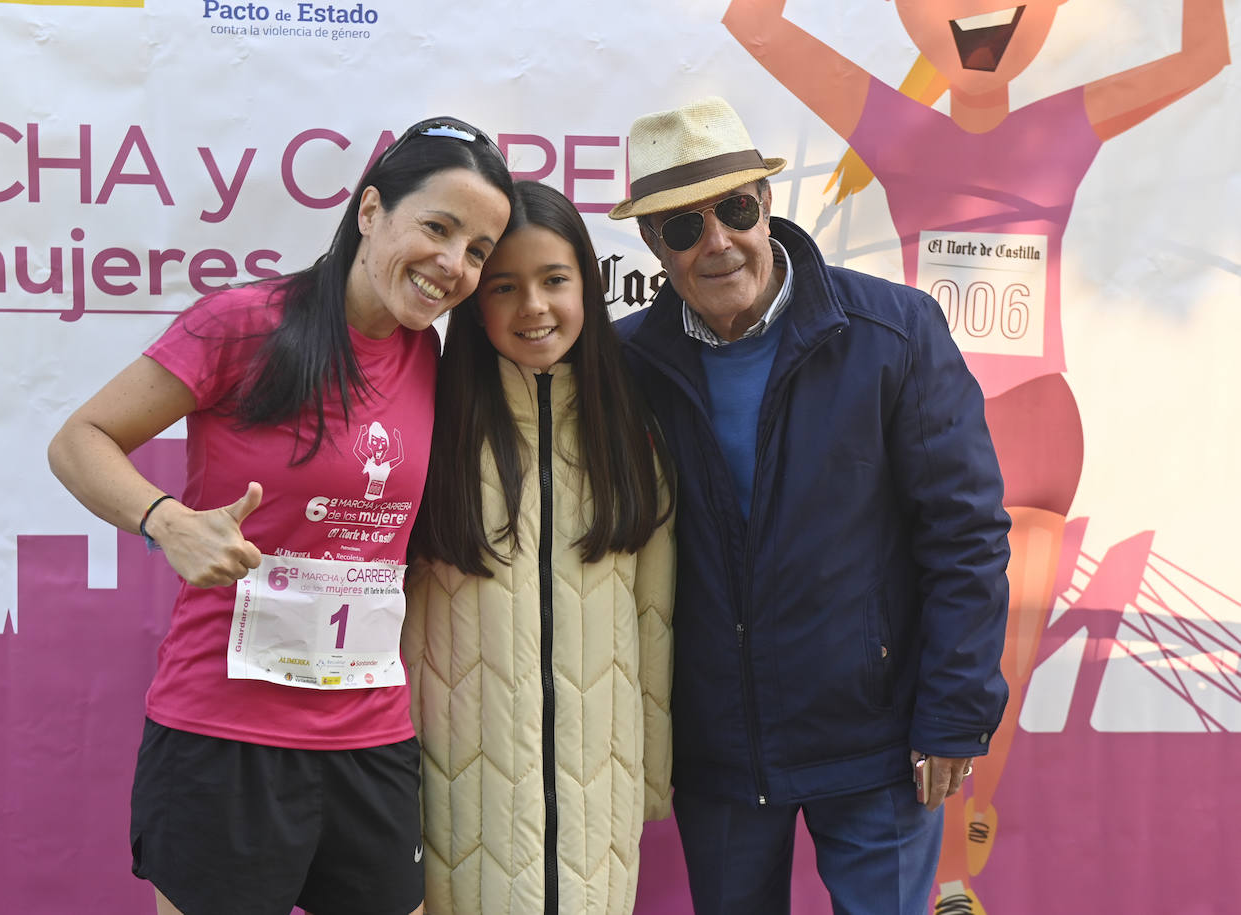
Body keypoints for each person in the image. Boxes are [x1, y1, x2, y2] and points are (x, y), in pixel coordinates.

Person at [721, 4, 1230, 907]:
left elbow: (1207, 54)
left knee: (983, 678)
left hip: (1031, 423)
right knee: (900, 653)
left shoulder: (1059, 121)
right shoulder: (896, 122)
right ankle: (940, 869)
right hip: (909, 429)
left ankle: (954, 876)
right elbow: (751, 24)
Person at [46, 116, 513, 915]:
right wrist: (166, 519)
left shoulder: (430, 358)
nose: (453, 264)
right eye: (438, 227)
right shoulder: (242, 322)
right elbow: (78, 440)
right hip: (225, 736)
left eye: (477, 250)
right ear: (371, 211)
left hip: (371, 734)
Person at [609, 96, 1011, 915]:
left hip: (877, 741)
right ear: (653, 244)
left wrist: (953, 713)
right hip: (716, 745)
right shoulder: (623, 365)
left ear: (767, 204)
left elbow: (966, 535)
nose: (716, 240)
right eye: (683, 228)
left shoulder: (893, 332)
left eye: (733, 209)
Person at [401, 180, 675, 915]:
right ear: (471, 301)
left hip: (600, 800)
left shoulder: (630, 436)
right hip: (457, 794)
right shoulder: (433, 431)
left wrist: (648, 779)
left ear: (588, 282)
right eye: (503, 287)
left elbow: (654, 620)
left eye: (555, 279)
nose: (534, 307)